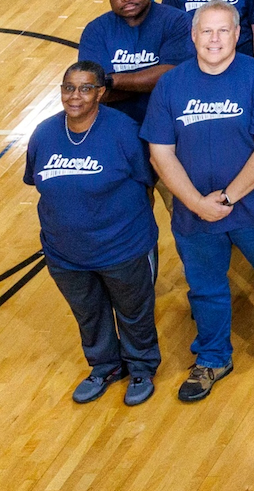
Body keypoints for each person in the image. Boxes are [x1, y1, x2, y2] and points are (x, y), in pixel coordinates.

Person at [143, 3, 254, 403]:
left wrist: (228, 197)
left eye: (223, 31)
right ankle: (213, 358)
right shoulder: (171, 85)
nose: (215, 39)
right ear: (193, 37)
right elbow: (160, 154)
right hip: (195, 213)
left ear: (237, 35)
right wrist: (197, 202)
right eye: (207, 32)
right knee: (205, 289)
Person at [27, 62, 163, 406]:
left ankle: (141, 367)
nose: (75, 96)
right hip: (64, 253)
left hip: (123, 248)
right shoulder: (43, 133)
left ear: (101, 93)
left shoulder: (124, 131)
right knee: (89, 314)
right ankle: (105, 366)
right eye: (69, 87)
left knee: (134, 313)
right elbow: (38, 183)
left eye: (86, 88)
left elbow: (148, 181)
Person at [79, 0, 193, 126]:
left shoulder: (177, 21)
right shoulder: (95, 30)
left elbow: (173, 77)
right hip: (115, 125)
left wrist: (113, 82)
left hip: (170, 121)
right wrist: (148, 84)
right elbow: (95, 92)